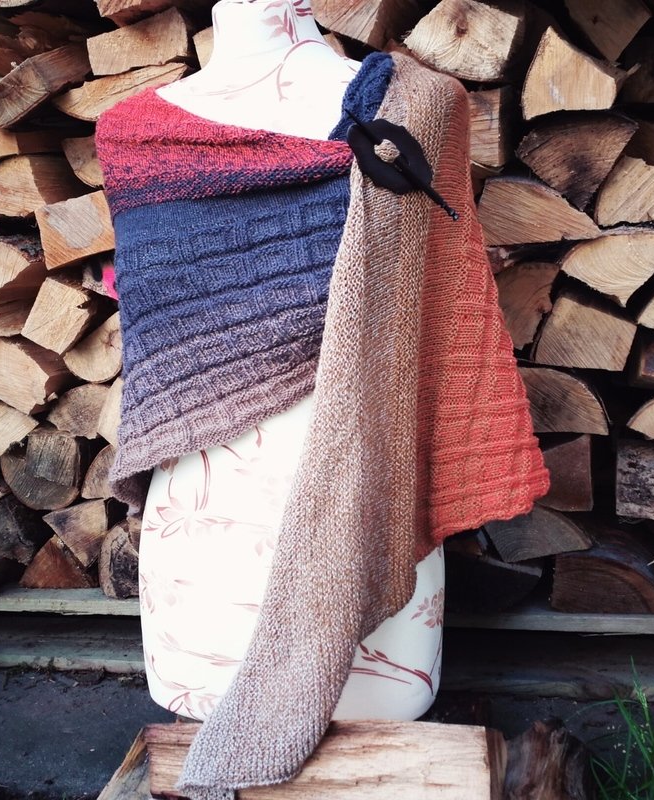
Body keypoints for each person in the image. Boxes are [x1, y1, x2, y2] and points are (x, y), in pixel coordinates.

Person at [125, 0, 446, 723]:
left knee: (383, 701)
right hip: (205, 503)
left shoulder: (420, 104)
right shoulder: (134, 132)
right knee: (203, 687)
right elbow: (158, 342)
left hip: (372, 471)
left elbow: (443, 306)